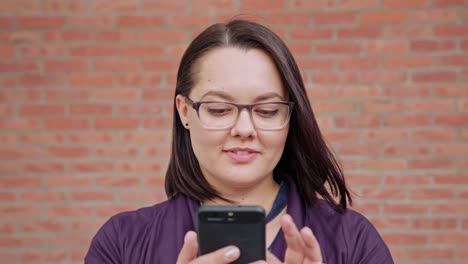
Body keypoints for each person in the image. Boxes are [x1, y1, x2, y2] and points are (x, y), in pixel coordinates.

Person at [85, 19, 394, 264]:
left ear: (291, 117)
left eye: (268, 110)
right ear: (184, 112)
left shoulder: (353, 242)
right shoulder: (121, 243)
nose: (244, 128)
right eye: (219, 109)